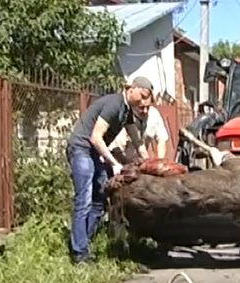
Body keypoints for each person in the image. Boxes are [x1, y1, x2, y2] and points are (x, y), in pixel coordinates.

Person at [65, 76, 153, 265]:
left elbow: (136, 139)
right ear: (132, 89)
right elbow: (96, 137)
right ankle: (79, 254)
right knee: (84, 199)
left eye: (147, 99)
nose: (144, 102)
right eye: (143, 95)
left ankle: (85, 243)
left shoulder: (128, 110)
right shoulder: (115, 103)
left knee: (100, 199)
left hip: (94, 153)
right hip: (81, 149)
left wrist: (148, 162)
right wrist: (113, 162)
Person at [109, 94, 170, 161]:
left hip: (142, 161)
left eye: (148, 107)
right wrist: (128, 164)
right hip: (122, 162)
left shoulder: (154, 115)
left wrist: (160, 162)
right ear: (134, 105)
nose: (145, 111)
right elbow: (115, 149)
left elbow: (161, 139)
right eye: (141, 107)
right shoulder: (125, 116)